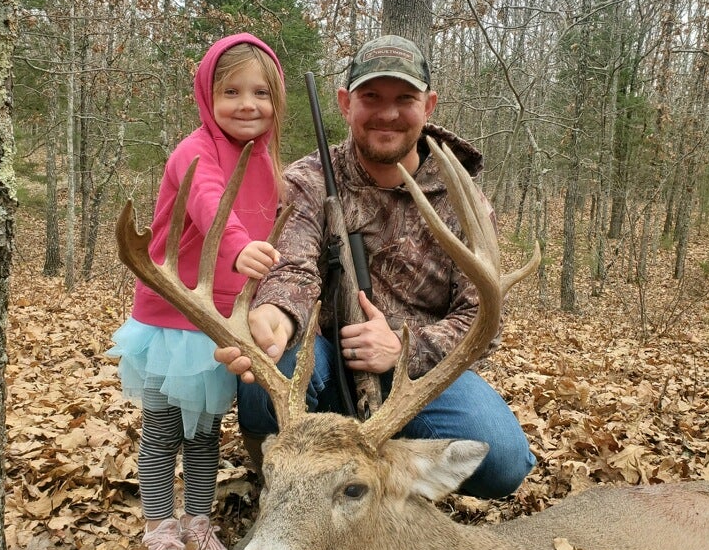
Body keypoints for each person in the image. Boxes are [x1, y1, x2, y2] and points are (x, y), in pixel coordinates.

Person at [217, 34, 535, 500]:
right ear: (346, 103)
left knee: (504, 461)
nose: (387, 113)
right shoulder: (308, 180)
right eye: (371, 97)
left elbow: (481, 323)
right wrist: (274, 319)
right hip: (325, 365)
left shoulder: (463, 199)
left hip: (419, 374)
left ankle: (387, 469)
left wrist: (403, 348)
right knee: (271, 367)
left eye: (404, 99)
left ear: (428, 105)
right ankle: (290, 493)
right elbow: (293, 271)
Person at [108, 33, 286, 550]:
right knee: (164, 428)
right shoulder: (194, 150)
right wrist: (238, 247)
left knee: (206, 432)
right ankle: (160, 528)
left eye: (261, 92)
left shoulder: (268, 159)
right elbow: (211, 202)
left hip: (219, 319)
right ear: (208, 96)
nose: (248, 104)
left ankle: (198, 522)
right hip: (172, 317)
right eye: (231, 91)